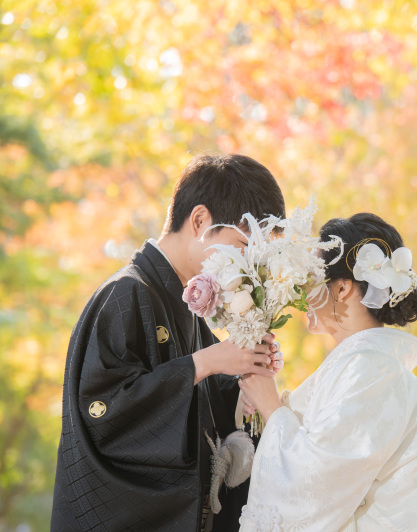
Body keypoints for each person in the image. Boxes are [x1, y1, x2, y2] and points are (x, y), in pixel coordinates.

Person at [51, 153, 285, 531]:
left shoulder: (184, 304)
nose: (245, 265)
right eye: (241, 246)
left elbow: (206, 406)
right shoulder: (126, 293)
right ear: (199, 221)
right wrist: (205, 362)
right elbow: (104, 411)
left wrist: (244, 387)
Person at [238, 213, 417, 531]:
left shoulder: (371, 370)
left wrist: (272, 408)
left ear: (340, 289)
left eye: (311, 276)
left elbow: (317, 484)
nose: (303, 290)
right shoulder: (370, 368)